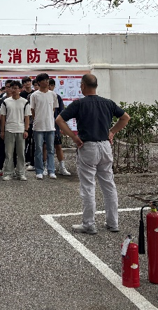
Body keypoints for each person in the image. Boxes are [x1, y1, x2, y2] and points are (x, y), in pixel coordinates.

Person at [56, 74, 130, 234]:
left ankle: (89, 224)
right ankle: (113, 222)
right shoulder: (108, 103)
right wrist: (112, 132)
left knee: (88, 186)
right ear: (96, 86)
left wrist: (74, 137)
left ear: (83, 85)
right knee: (108, 185)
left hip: (87, 146)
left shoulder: (79, 104)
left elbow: (59, 120)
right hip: (105, 146)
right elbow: (125, 118)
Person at [30, 73, 59, 179]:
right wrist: (37, 119)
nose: (46, 82)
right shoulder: (34, 95)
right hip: (38, 126)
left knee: (51, 149)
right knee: (38, 149)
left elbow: (53, 109)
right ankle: (39, 171)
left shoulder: (53, 94)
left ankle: (51, 170)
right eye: (44, 80)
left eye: (47, 80)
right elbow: (32, 110)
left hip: (50, 125)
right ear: (39, 82)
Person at [0, 80, 30, 181]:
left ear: (20, 89)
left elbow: (27, 117)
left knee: (21, 153)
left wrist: (26, 130)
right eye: (12, 88)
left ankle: (21, 173)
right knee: (8, 153)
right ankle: (8, 172)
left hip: (21, 130)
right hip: (9, 129)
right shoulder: (6, 102)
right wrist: (2, 131)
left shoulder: (25, 102)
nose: (14, 90)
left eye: (16, 88)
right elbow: (3, 117)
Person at [49, 78, 71, 176]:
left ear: (53, 86)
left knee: (58, 146)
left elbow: (61, 113)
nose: (49, 87)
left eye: (51, 85)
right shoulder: (39, 95)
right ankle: (46, 167)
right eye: (47, 85)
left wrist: (62, 127)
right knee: (45, 147)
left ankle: (62, 167)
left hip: (55, 126)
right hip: (44, 125)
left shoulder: (57, 97)